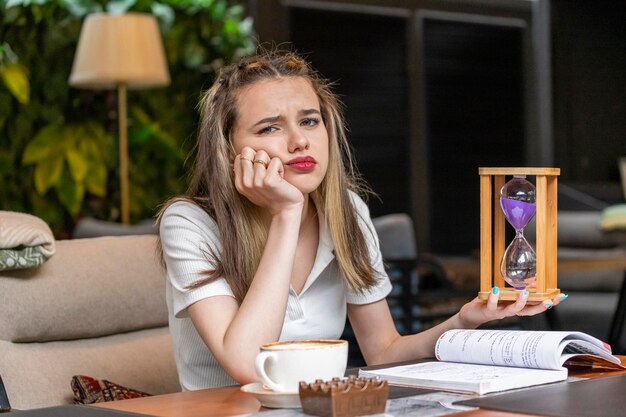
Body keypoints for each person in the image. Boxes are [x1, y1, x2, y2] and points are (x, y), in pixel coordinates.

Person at [157, 49, 567, 391]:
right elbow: (247, 366)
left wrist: (465, 319)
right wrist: (286, 213)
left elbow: (384, 352)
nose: (299, 141)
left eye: (309, 120)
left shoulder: (346, 210)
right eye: (269, 128)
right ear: (229, 149)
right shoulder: (189, 223)